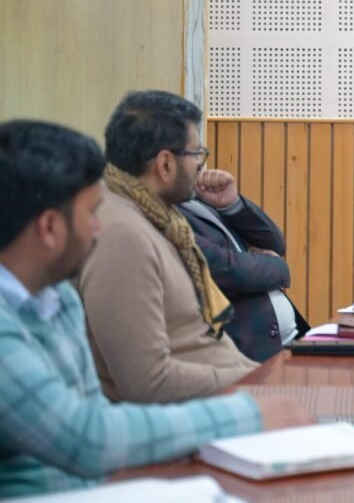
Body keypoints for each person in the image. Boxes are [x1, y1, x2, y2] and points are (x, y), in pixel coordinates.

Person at [0, 120, 311, 497]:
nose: (98, 228)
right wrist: (248, 414)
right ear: (50, 228)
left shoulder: (57, 298)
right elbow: (87, 437)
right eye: (91, 214)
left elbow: (98, 417)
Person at [77, 91, 258, 403]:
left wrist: (267, 378)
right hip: (203, 414)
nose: (201, 165)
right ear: (165, 164)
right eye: (197, 153)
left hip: (230, 395)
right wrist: (257, 382)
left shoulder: (156, 217)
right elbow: (148, 382)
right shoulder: (122, 236)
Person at [179, 168, 309, 362]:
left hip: (289, 341)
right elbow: (229, 270)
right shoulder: (164, 217)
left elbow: (274, 242)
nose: (199, 164)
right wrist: (278, 265)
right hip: (248, 354)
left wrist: (232, 205)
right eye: (193, 155)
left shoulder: (199, 198)